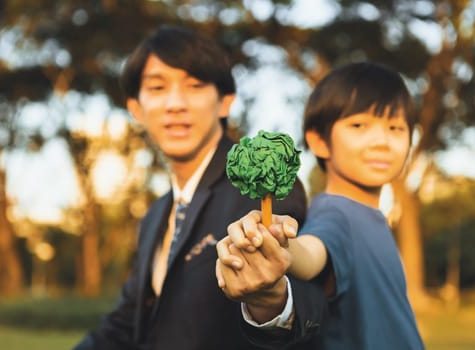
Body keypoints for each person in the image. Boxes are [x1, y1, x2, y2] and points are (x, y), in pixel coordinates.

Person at [73, 25, 314, 350]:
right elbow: (126, 323)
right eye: (157, 88)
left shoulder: (261, 189)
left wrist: (271, 304)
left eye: (195, 85)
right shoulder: (155, 215)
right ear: (136, 108)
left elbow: (308, 301)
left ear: (225, 102)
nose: (175, 103)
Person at [217, 62, 425, 349]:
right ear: (318, 141)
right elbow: (311, 254)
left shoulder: (372, 216)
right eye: (359, 125)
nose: (382, 141)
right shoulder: (336, 213)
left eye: (396, 128)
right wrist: (280, 244)